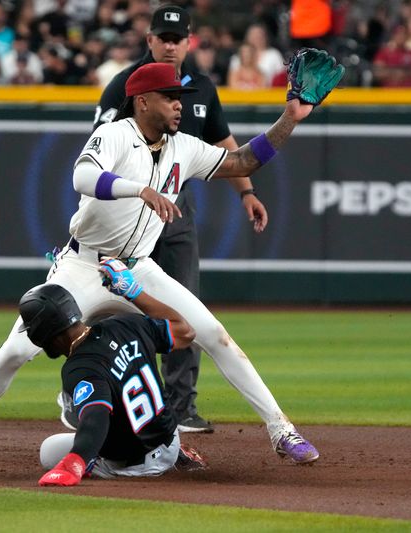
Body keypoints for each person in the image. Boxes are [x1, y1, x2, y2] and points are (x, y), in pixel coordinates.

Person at [0, 53, 344, 465]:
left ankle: (281, 429)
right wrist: (136, 188)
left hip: (136, 267)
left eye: (180, 96)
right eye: (169, 97)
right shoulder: (116, 133)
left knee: (214, 334)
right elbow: (81, 176)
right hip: (83, 266)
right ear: (142, 102)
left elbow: (243, 160)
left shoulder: (184, 146)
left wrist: (291, 118)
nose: (180, 104)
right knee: (15, 349)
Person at [89, 4, 268, 434]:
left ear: (189, 42)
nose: (170, 45)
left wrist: (246, 191)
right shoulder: (127, 86)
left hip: (176, 209)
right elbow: (98, 147)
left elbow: (226, 145)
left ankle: (181, 407)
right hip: (128, 212)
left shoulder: (201, 87)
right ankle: (112, 396)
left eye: (178, 38)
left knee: (185, 302)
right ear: (149, 40)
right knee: (113, 306)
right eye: (163, 37)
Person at [22, 263, 205, 486]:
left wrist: (75, 462)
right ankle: (177, 454)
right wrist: (134, 292)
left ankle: (94, 461)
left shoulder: (79, 368)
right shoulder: (127, 324)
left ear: (43, 334)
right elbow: (186, 333)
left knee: (49, 450)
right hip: (170, 439)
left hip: (137, 465)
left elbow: (95, 418)